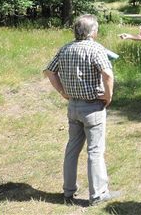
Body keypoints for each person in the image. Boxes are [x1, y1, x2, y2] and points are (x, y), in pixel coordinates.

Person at [44, 14, 120, 206]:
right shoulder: (95, 48)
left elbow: (49, 71)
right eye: (97, 29)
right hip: (93, 107)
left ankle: (68, 191)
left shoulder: (65, 49)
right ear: (92, 31)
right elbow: (108, 74)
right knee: (95, 151)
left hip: (73, 107)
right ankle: (98, 194)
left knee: (72, 149)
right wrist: (108, 96)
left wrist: (63, 92)